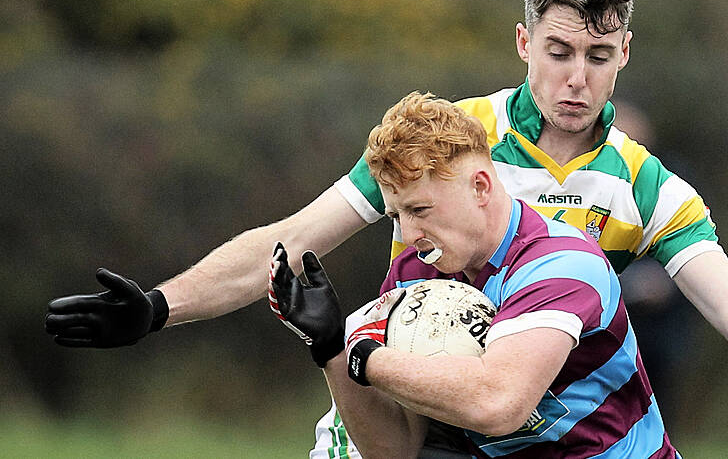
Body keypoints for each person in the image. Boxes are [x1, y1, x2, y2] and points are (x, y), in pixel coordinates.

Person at [45, 0, 728, 457]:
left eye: (598, 58)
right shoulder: (448, 142)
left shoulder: (644, 183)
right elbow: (291, 239)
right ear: (524, 41)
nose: (576, 77)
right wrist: (159, 308)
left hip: (535, 431)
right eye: (559, 51)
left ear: (626, 54)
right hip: (406, 412)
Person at [268, 91, 678, 457]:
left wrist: (364, 357)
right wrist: (332, 350)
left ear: (481, 187)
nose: (408, 235)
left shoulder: (563, 264)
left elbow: (498, 404)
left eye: (420, 210)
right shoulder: (413, 274)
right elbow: (394, 450)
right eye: (396, 215)